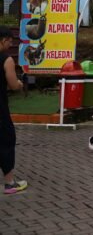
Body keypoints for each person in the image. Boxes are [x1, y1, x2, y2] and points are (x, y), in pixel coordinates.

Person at [0, 26, 28, 194]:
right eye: (10, 42)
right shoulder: (6, 59)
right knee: (7, 140)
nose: (10, 45)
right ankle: (10, 183)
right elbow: (13, 84)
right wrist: (19, 83)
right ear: (3, 40)